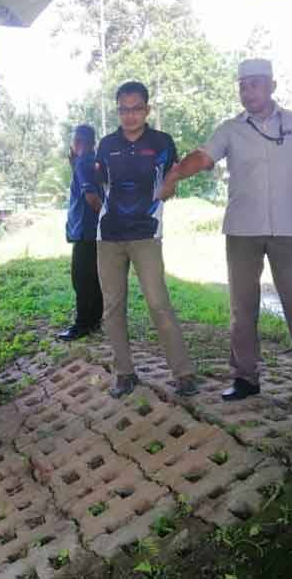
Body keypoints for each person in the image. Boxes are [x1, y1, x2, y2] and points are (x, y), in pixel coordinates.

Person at [160, 59, 292, 402]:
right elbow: (204, 157)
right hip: (242, 230)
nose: (247, 91)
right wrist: (177, 173)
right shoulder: (230, 128)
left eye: (254, 84)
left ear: (272, 86)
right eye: (242, 85)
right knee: (242, 305)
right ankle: (245, 378)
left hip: (287, 228)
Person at [95, 81, 197, 398]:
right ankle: (124, 374)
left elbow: (173, 177)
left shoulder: (162, 142)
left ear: (147, 110)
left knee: (158, 303)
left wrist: (170, 184)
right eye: (124, 109)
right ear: (118, 111)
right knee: (112, 307)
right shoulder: (106, 144)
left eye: (136, 108)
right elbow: (98, 183)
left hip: (146, 233)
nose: (130, 115)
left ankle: (183, 374)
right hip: (109, 236)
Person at [57, 124, 104, 341]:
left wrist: (106, 215)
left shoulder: (84, 164)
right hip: (94, 232)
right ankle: (94, 321)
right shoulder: (92, 162)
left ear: (83, 143)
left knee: (82, 280)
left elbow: (92, 198)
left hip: (86, 232)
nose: (75, 145)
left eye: (77, 141)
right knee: (94, 279)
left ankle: (82, 325)